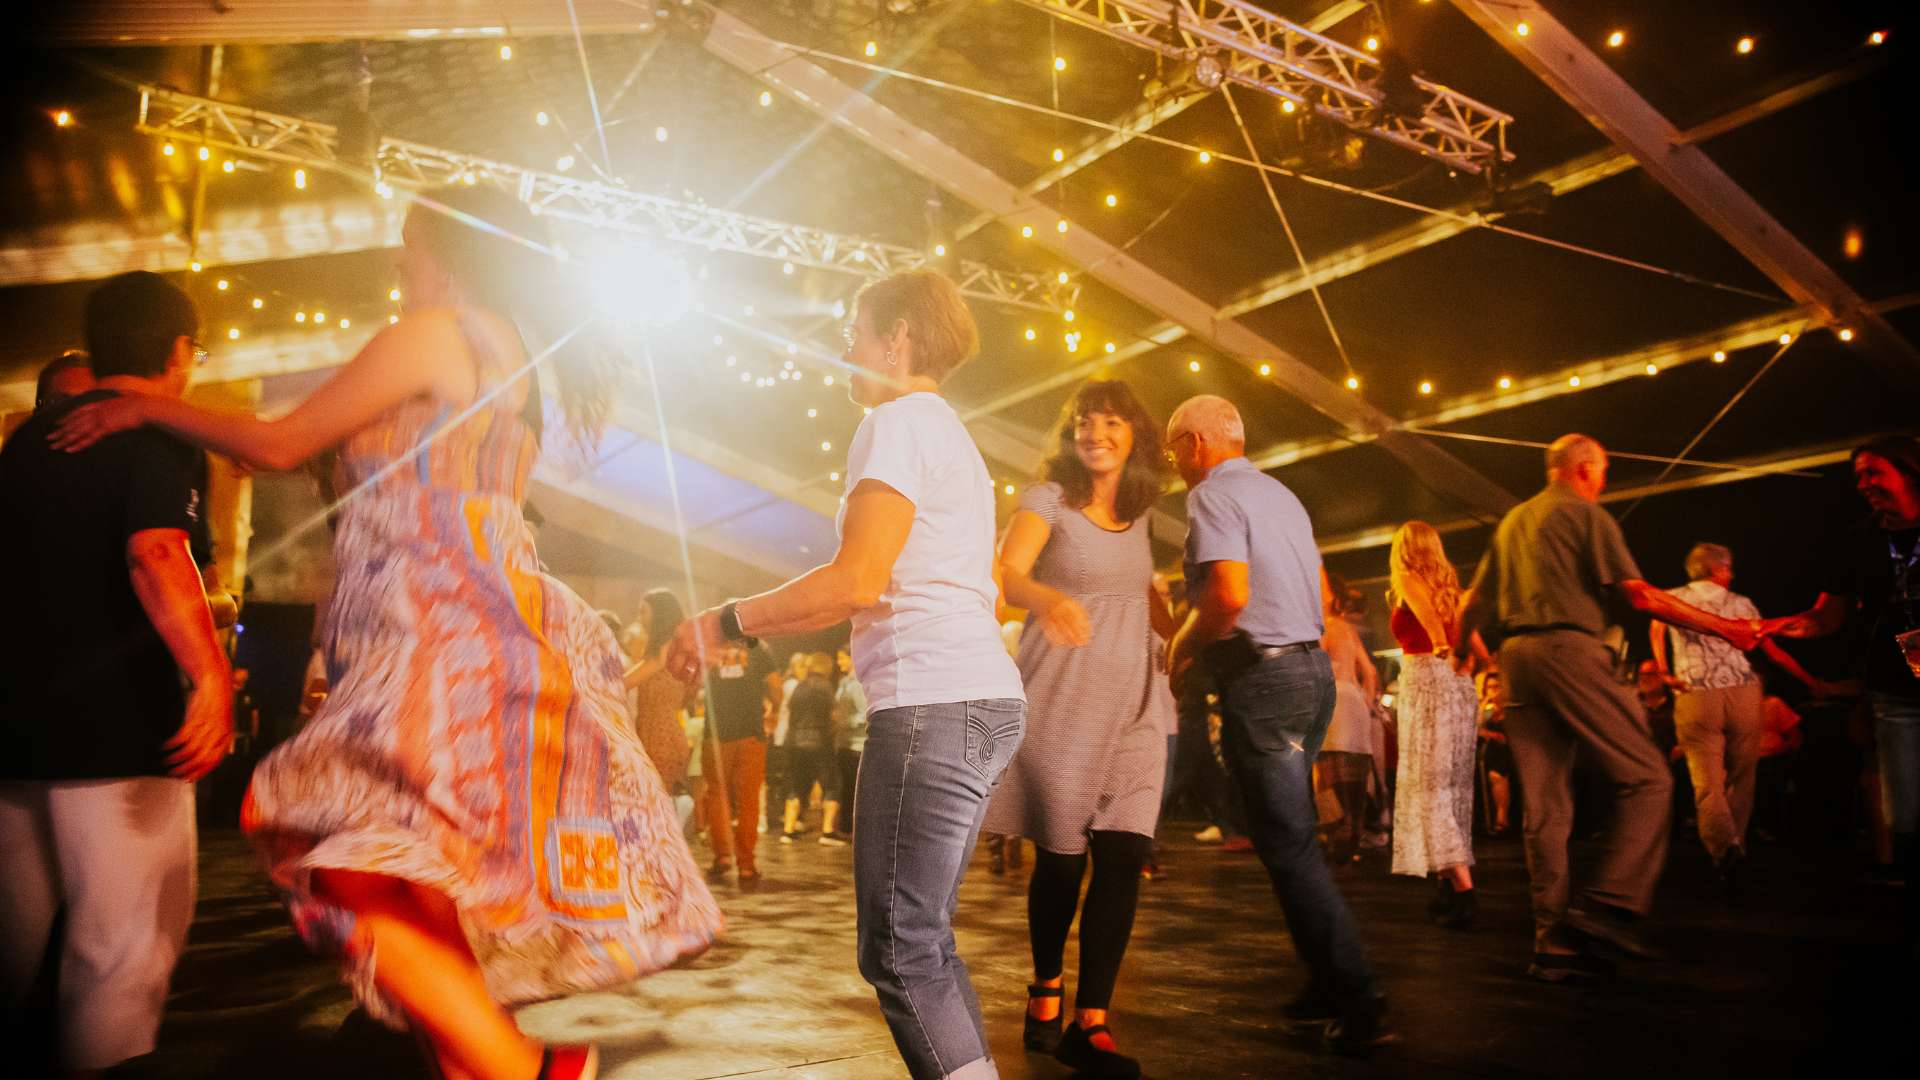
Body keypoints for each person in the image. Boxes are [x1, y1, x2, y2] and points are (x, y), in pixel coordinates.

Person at [50, 187, 721, 1080]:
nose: (400, 259)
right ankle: (494, 1064)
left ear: (451, 251)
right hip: (453, 619)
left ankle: (528, 1069)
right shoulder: (506, 350)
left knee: (336, 852)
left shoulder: (437, 333)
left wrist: (145, 405)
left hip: (435, 622)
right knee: (412, 874)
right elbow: (297, 455)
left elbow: (277, 443)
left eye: (411, 241)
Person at [668, 269, 1025, 1080]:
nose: (844, 347)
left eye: (854, 331)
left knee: (899, 950)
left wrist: (722, 620)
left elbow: (856, 581)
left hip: (932, 701)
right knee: (925, 942)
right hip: (983, 697)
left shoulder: (894, 422)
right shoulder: (952, 437)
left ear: (898, 339)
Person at [0, 272, 232, 1077]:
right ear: (179, 351)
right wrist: (209, 676)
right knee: (122, 955)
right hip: (119, 731)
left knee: (12, 948)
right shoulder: (154, 435)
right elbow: (157, 551)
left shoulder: (27, 439)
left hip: (17, 732)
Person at [1455, 434, 1766, 983]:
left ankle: (1552, 946)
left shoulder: (1513, 523)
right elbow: (1639, 596)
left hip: (1517, 659)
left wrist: (1463, 654)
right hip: (1568, 649)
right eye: (1603, 472)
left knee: (1545, 810)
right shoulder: (1585, 513)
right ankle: (1607, 906)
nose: (1603, 482)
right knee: (1649, 779)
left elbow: (1472, 603)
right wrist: (1724, 627)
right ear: (1584, 469)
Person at [1161, 394, 1386, 1056]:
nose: (1172, 461)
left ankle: (1359, 996)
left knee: (1289, 844)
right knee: (1288, 839)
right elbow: (1321, 595)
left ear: (1197, 443)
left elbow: (1228, 596)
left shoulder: (1210, 496)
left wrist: (1180, 649)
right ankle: (1324, 979)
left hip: (1264, 679)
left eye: (1173, 446)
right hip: (1312, 673)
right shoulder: (1281, 496)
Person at [981, 378, 1175, 1079]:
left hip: (1137, 706)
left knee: (1123, 856)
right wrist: (1047, 597)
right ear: (1071, 435)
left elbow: (1140, 589)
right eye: (1086, 422)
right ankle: (1045, 985)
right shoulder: (1047, 500)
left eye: (1113, 422)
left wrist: (1173, 642)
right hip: (1062, 701)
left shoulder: (1141, 511)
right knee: (1061, 861)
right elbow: (1005, 575)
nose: (1097, 433)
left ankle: (1091, 1022)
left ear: (1135, 434)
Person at [1774, 435, 1920, 945]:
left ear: (1909, 472)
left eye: (1874, 472)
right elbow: (1826, 617)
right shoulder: (1860, 540)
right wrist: (1771, 628)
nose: (1864, 484)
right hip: (1894, 682)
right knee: (1903, 806)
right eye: (1858, 476)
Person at [1649, 543, 1813, 892]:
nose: (1732, 573)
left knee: (1706, 779)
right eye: (1729, 567)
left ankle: (1725, 848)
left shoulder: (1672, 597)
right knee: (1742, 775)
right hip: (1743, 691)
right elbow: (1770, 650)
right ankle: (1737, 843)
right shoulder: (1742, 603)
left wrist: (1664, 672)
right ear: (1718, 569)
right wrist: (1813, 682)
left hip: (1696, 692)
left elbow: (1656, 626)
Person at [1386, 521, 1483, 929]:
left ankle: (1463, 890)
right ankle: (1447, 884)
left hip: (1427, 679)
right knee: (1446, 787)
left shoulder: (1408, 579)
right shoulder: (1450, 589)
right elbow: (1473, 642)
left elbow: (1432, 626)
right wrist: (1478, 663)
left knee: (1428, 788)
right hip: (1454, 683)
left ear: (1404, 548)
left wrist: (1442, 645)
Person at [700, 640, 779, 883]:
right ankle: (746, 864)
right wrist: (775, 710)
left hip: (715, 735)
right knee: (748, 799)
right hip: (750, 734)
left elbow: (691, 683)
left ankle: (722, 856)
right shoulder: (759, 648)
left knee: (717, 795)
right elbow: (775, 685)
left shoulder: (708, 644)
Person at [1317, 571, 1379, 866]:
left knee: (1325, 772)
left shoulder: (1323, 628)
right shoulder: (1348, 629)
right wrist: (1366, 702)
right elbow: (1371, 672)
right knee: (1354, 773)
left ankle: (1332, 836)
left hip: (1332, 701)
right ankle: (1354, 834)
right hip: (1354, 700)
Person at [624, 588, 693, 795]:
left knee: (651, 802)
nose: (639, 618)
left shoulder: (665, 648)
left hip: (659, 737)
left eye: (643, 612)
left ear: (659, 614)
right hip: (660, 734)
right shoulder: (672, 646)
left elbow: (627, 682)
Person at [779, 652, 837, 843]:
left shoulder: (799, 686)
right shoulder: (825, 686)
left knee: (796, 784)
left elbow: (791, 713)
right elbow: (832, 714)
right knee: (831, 784)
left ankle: (788, 831)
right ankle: (828, 832)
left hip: (794, 741)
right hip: (820, 742)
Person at [826, 646, 866, 844]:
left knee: (853, 788)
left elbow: (865, 713)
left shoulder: (858, 683)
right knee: (846, 788)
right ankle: (846, 828)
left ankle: (853, 829)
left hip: (856, 745)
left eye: (842, 658)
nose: (839, 662)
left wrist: (845, 722)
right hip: (843, 742)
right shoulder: (844, 682)